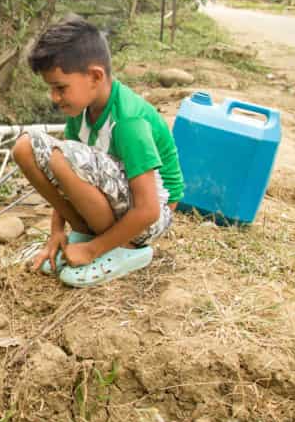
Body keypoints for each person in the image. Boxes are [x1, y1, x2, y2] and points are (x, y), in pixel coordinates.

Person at [11, 17, 184, 287]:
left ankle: (117, 246)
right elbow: (65, 171)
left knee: (62, 157)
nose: (54, 98)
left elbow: (149, 209)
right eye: (51, 89)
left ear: (94, 76)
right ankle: (84, 231)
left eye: (60, 87)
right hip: (118, 199)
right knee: (24, 147)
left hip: (150, 218)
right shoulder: (80, 109)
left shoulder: (129, 121)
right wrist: (56, 230)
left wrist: (93, 251)